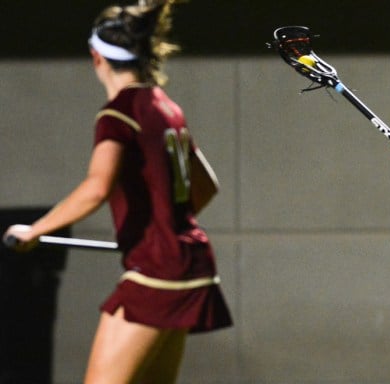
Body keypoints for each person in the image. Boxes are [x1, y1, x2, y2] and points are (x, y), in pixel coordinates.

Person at [2, 1, 232, 382]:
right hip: (191, 265)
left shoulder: (117, 114)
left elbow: (96, 188)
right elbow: (206, 187)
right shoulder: (165, 107)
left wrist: (34, 230)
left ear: (97, 58)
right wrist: (165, 223)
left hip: (156, 274)